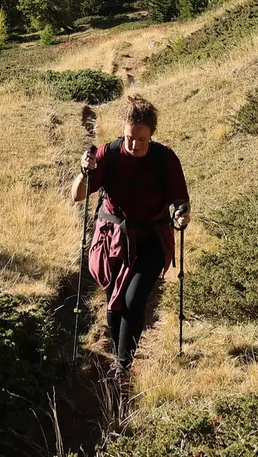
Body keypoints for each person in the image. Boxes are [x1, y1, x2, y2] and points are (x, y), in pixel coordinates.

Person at [72, 96, 190, 376]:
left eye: (142, 140)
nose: (135, 145)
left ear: (152, 135)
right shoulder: (108, 154)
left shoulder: (165, 158)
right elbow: (78, 195)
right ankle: (119, 354)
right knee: (113, 303)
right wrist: (83, 171)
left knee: (133, 300)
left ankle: (123, 365)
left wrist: (181, 214)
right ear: (122, 130)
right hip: (111, 239)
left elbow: (180, 200)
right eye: (129, 138)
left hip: (151, 238)